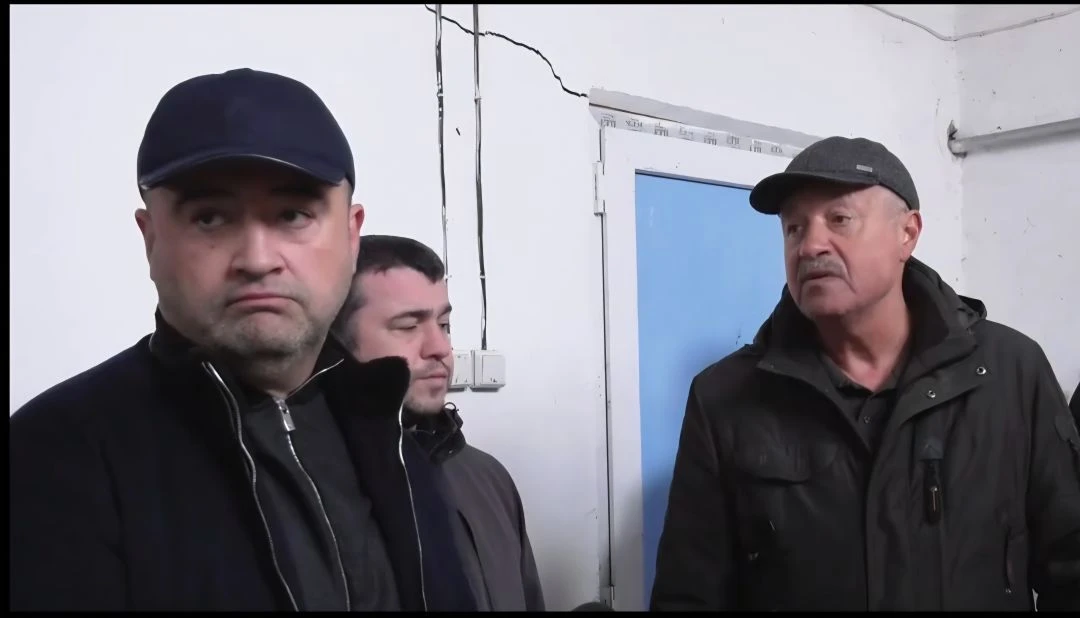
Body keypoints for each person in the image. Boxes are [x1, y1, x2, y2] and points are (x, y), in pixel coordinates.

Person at [10, 68, 478, 611]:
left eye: (293, 215)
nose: (257, 259)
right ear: (151, 238)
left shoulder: (395, 438)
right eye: (210, 218)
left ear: (352, 234)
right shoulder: (55, 457)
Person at [650, 136, 1080, 611]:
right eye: (794, 228)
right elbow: (688, 596)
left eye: (839, 219)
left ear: (907, 233)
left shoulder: (1010, 373)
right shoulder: (724, 398)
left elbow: (1070, 568)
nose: (810, 245)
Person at [330, 234, 546, 611]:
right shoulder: (316, 487)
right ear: (338, 342)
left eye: (444, 324)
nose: (440, 348)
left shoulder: (488, 477)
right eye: (408, 326)